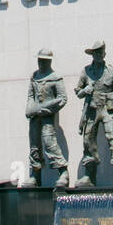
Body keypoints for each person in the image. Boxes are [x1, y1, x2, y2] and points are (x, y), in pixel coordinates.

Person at [73, 41, 113, 188]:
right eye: (96, 52)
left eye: (101, 52)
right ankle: (89, 175)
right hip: (91, 110)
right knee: (88, 141)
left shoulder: (111, 71)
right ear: (92, 54)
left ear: (104, 53)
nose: (98, 55)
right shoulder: (86, 71)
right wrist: (85, 91)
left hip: (107, 109)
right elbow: (78, 92)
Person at [24, 48, 69, 187]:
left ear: (49, 61)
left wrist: (48, 110)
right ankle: (36, 174)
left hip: (47, 116)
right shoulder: (34, 77)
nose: (40, 63)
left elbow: (62, 98)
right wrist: (32, 109)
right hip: (34, 117)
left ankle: (63, 172)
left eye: (43, 60)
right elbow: (31, 97)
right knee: (34, 145)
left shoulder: (55, 77)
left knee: (50, 143)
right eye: (39, 60)